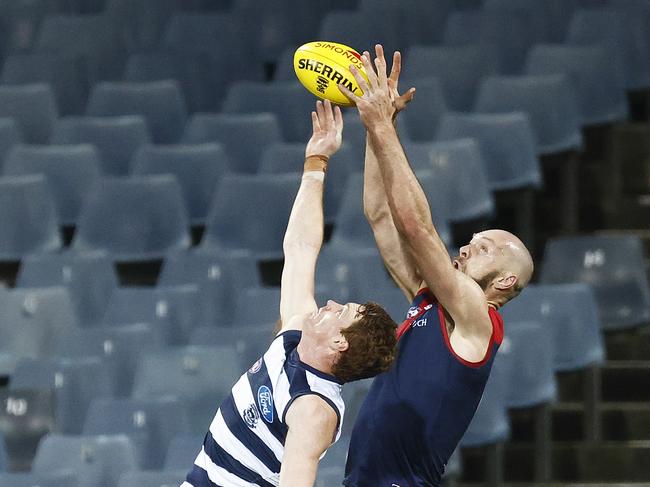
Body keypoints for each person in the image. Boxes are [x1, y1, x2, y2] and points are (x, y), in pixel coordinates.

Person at [338, 45, 534, 487]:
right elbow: (382, 216)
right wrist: (378, 124)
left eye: (482, 248)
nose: (465, 249)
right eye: (470, 242)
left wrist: (380, 125)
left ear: (504, 280)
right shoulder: (427, 301)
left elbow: (415, 227)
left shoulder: (477, 319)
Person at [181, 99, 398, 487]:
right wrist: (316, 163)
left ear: (338, 343)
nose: (329, 304)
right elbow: (300, 249)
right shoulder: (294, 336)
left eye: (341, 312)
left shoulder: (314, 409)